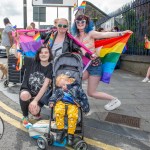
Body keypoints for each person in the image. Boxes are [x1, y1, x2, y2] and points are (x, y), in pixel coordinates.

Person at [72, 14, 133, 111]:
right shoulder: (75, 37)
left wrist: (121, 33)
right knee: (74, 81)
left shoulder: (91, 34)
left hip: (95, 66)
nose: (80, 23)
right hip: (84, 66)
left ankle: (114, 100)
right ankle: (74, 102)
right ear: (75, 24)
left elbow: (105, 35)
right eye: (78, 22)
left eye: (83, 21)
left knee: (91, 93)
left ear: (87, 23)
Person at [49, 74, 89, 146]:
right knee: (58, 111)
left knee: (73, 116)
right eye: (61, 86)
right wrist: (52, 101)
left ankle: (71, 135)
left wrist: (85, 106)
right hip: (61, 102)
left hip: (73, 103)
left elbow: (83, 97)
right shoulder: (59, 90)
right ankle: (60, 131)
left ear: (69, 81)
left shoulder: (76, 88)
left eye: (64, 84)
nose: (63, 87)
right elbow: (54, 95)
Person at [19, 45, 53, 128]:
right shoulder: (32, 61)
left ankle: (37, 113)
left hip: (40, 95)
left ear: (49, 54)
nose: (43, 54)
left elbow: (44, 86)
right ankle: (25, 116)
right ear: (38, 54)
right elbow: (18, 56)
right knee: (24, 95)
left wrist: (35, 101)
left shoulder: (51, 67)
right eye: (41, 52)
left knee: (34, 111)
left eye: (46, 52)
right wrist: (17, 42)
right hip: (28, 90)